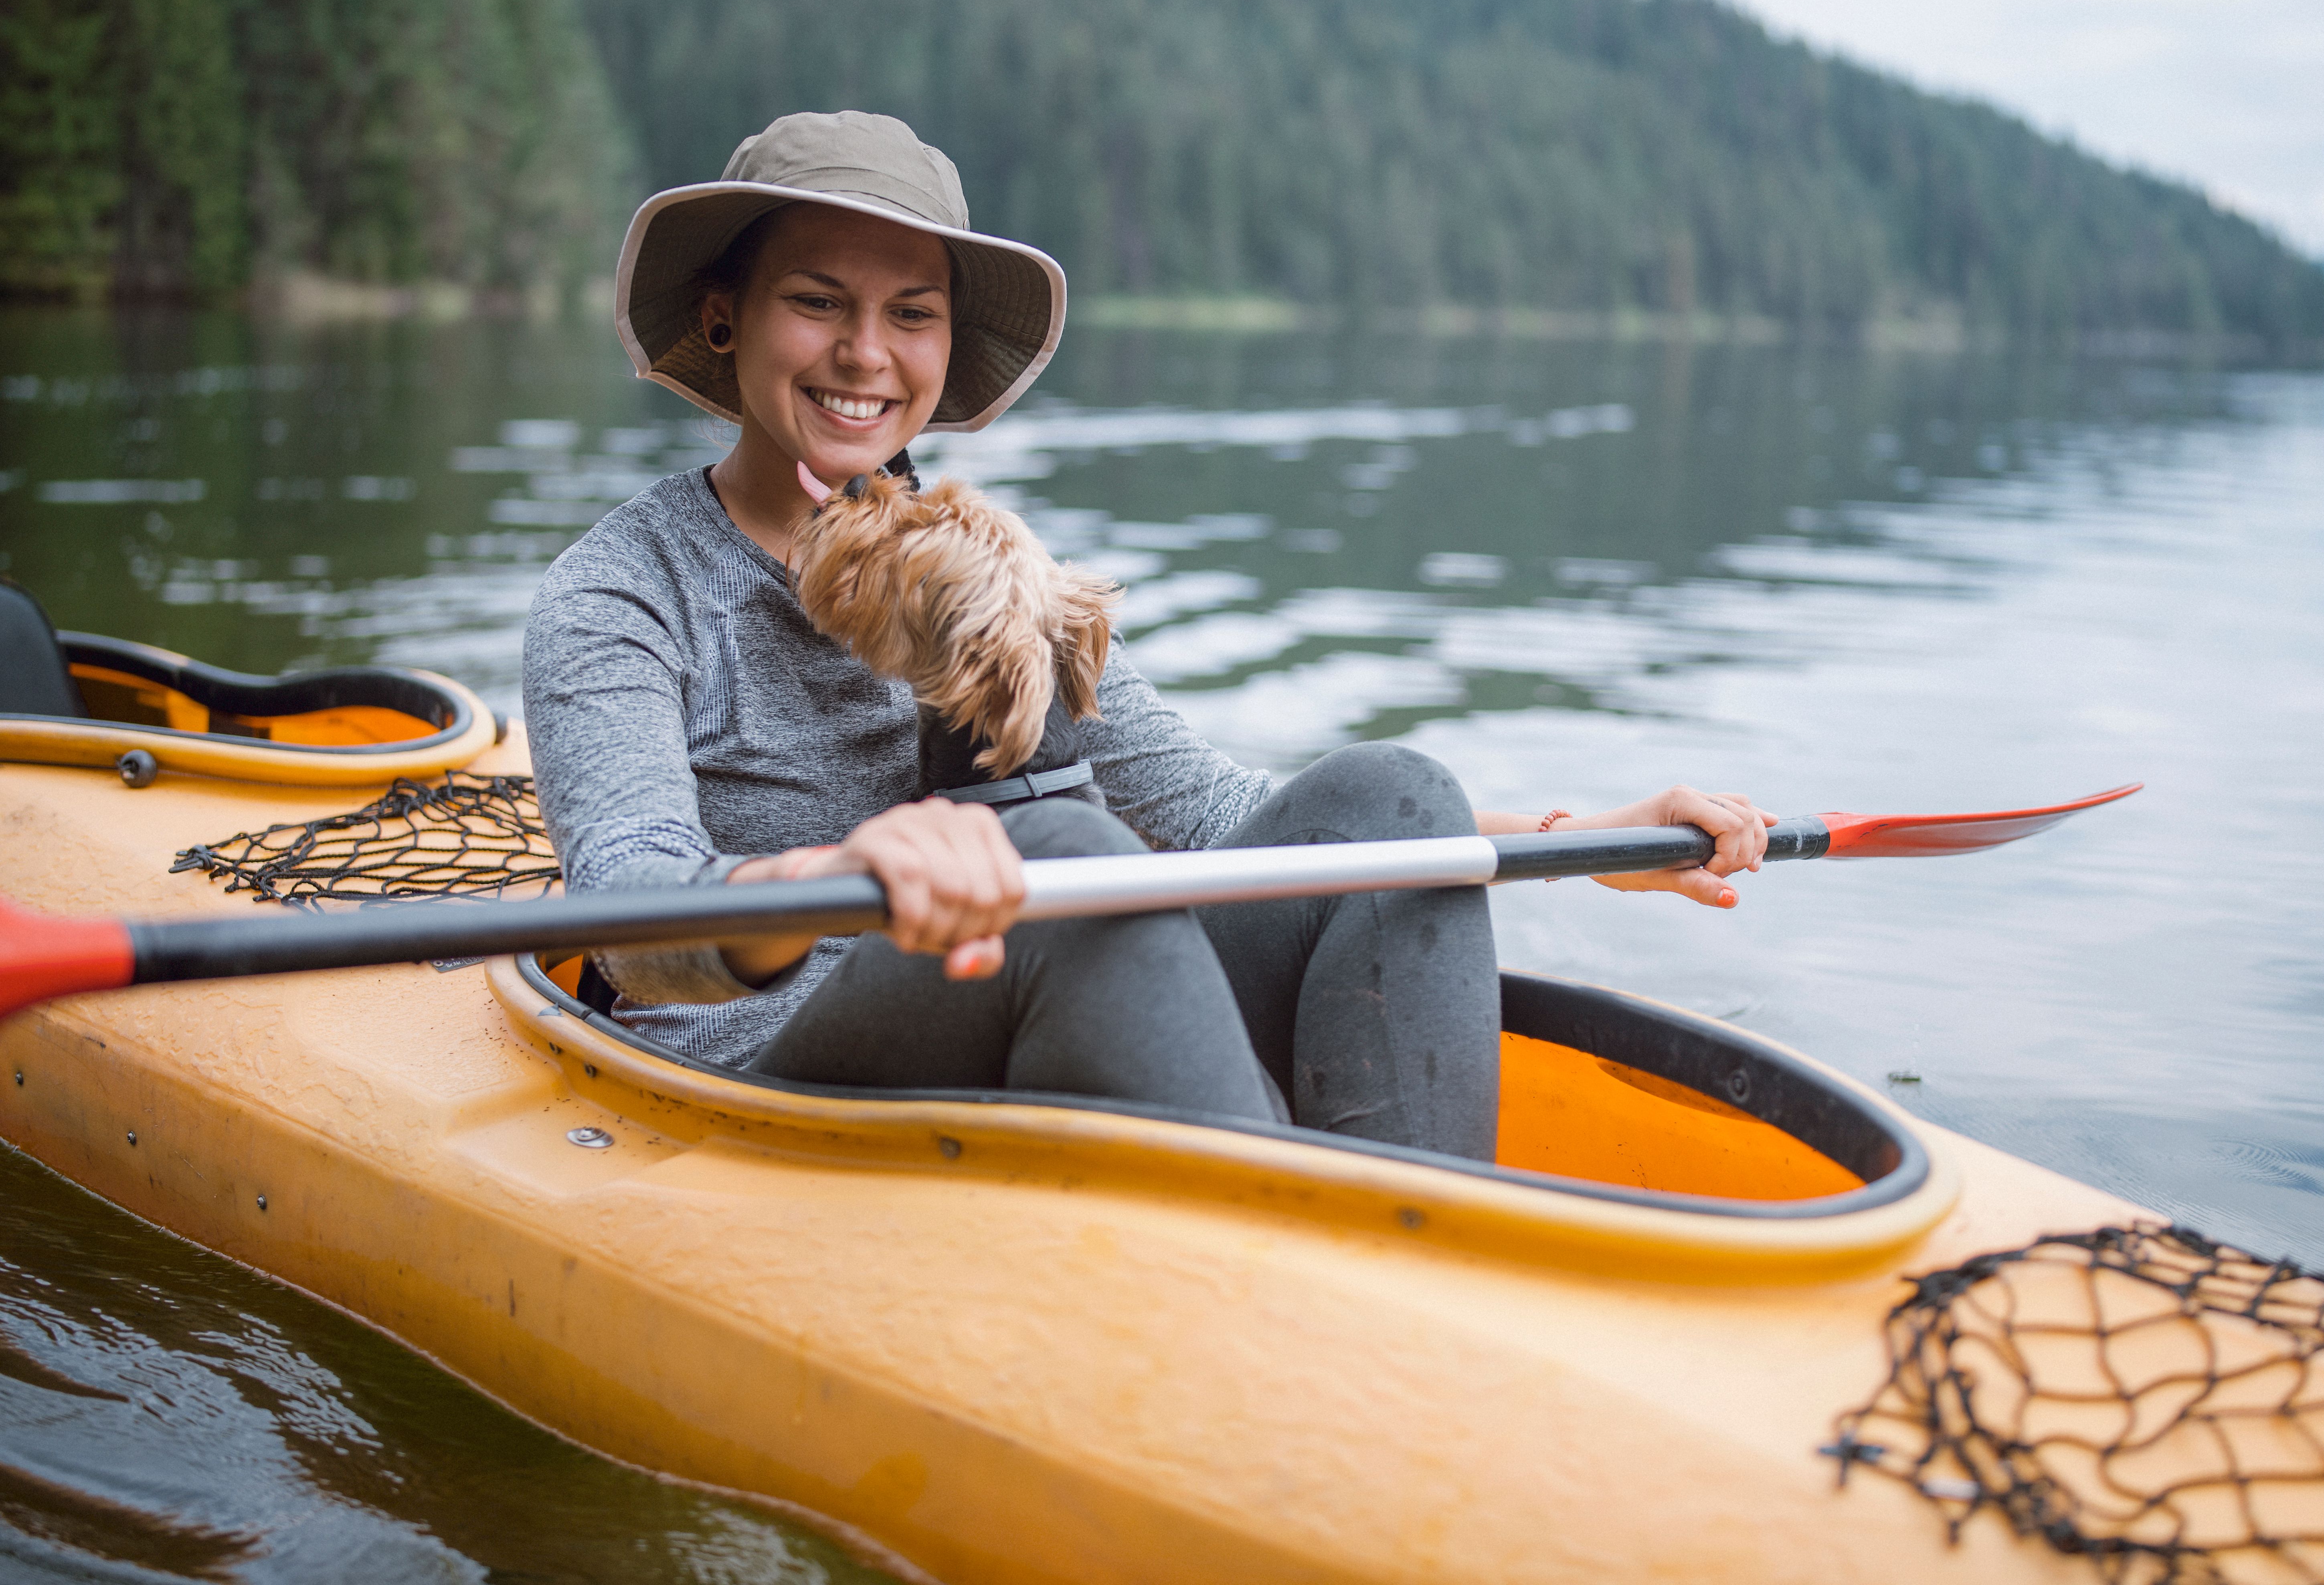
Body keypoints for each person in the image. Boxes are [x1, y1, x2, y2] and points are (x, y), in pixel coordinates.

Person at [523, 111, 1775, 1164]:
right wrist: (835, 876)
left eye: (912, 313)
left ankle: (1414, 1244)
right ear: (726, 316)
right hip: (760, 1085)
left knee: (1397, 799)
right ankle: (1282, 1258)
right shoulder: (624, 592)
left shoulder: (989, 578)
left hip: (1003, 1000)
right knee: (1064, 857)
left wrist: (1582, 843)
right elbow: (633, 925)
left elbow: (1226, 818)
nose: (866, 354)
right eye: (817, 303)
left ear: (948, 348)